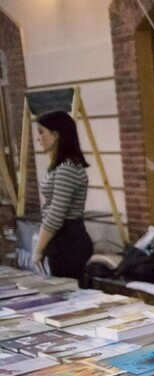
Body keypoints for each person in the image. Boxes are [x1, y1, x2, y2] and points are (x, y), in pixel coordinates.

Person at [33, 111, 94, 283]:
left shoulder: (67, 169)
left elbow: (55, 214)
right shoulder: (59, 167)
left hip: (68, 242)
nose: (38, 138)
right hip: (63, 240)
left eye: (41, 132)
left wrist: (38, 249)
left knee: (67, 291)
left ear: (56, 134)